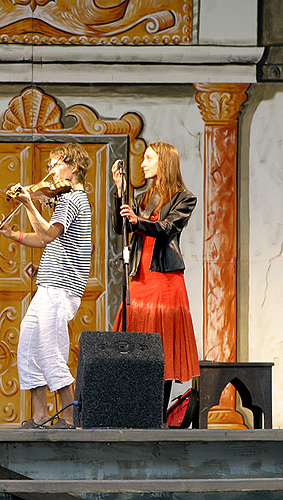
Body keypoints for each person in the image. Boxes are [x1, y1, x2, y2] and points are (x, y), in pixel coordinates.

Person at [0, 143, 92, 429]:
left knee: (50, 350)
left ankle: (70, 418)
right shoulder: (65, 200)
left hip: (61, 287)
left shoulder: (73, 200)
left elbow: (47, 234)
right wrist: (12, 234)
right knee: (28, 346)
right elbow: (43, 239)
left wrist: (28, 203)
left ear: (72, 168)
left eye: (56, 164)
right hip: (49, 285)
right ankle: (38, 417)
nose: (50, 171)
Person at [111, 142, 200, 421]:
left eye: (148, 158)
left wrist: (137, 221)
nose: (143, 163)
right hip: (140, 277)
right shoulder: (143, 197)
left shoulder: (184, 198)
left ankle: (157, 415)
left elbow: (166, 228)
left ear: (164, 162)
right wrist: (121, 193)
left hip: (164, 279)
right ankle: (136, 412)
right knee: (135, 345)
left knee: (161, 348)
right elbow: (120, 227)